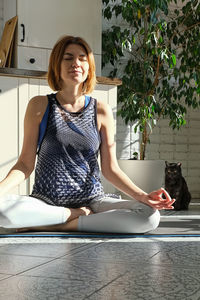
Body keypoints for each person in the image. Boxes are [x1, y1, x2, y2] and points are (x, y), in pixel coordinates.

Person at [0, 35, 175, 233]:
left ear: (89, 67)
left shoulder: (101, 110)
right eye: (68, 58)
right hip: (46, 201)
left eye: (82, 58)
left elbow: (110, 169)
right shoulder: (39, 105)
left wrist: (143, 196)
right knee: (1, 210)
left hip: (93, 202)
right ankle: (72, 216)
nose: (76, 63)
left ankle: (53, 225)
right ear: (56, 65)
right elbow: (24, 164)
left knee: (149, 216)